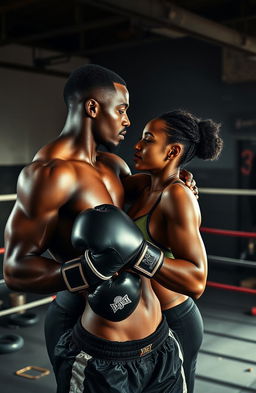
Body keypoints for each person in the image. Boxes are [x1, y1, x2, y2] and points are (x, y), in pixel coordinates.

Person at [3, 64, 198, 393]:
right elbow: (15, 269)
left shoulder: (113, 165)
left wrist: (181, 181)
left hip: (156, 337)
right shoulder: (49, 174)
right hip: (97, 337)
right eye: (121, 110)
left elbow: (159, 188)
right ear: (93, 107)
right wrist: (87, 271)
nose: (127, 121)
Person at [125, 110, 223, 392]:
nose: (137, 145)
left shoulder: (176, 195)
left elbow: (197, 280)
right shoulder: (144, 185)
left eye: (148, 139)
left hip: (174, 320)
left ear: (172, 151)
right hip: (144, 318)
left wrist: (137, 252)